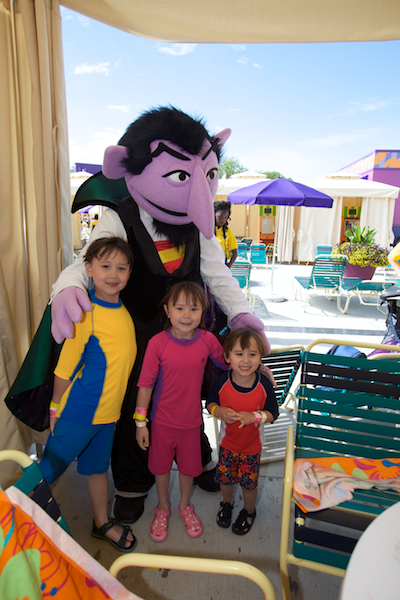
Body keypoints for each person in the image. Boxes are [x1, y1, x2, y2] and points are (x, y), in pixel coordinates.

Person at [48, 107, 271, 525]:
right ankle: (132, 482)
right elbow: (89, 260)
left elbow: (218, 274)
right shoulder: (119, 216)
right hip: (137, 339)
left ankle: (196, 461)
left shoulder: (198, 222)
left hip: (189, 336)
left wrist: (241, 313)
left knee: (190, 400)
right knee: (136, 404)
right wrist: (68, 287)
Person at [40, 237, 137, 553]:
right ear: (89, 269)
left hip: (107, 417)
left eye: (121, 268)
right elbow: (65, 368)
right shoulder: (86, 312)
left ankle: (101, 523)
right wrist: (55, 408)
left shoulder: (123, 312)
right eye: (105, 266)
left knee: (97, 469)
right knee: (46, 474)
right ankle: (15, 529)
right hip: (78, 413)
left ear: (129, 273)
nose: (113, 274)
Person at [135, 282, 226, 542]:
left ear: (203, 312)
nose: (187, 315)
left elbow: (229, 362)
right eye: (180, 308)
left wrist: (256, 365)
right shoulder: (157, 343)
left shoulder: (208, 340)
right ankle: (162, 507)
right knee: (161, 468)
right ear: (167, 310)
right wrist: (140, 423)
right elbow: (145, 384)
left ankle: (185, 505)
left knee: (188, 469)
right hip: (161, 422)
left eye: (194, 309)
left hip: (191, 423)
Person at [206, 327, 278, 535]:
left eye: (252, 354)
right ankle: (226, 503)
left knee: (249, 485)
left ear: (261, 357)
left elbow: (273, 413)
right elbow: (210, 404)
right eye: (239, 354)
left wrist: (254, 417)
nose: (246, 360)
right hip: (227, 445)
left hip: (251, 448)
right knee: (225, 480)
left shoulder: (264, 385)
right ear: (227, 357)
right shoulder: (222, 381)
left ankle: (249, 510)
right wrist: (219, 411)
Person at [214, 201, 238, 268]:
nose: (223, 220)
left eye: (225, 217)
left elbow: (234, 252)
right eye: (220, 217)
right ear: (214, 214)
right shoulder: (207, 230)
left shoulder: (228, 232)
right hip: (207, 266)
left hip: (221, 266)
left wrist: (228, 266)